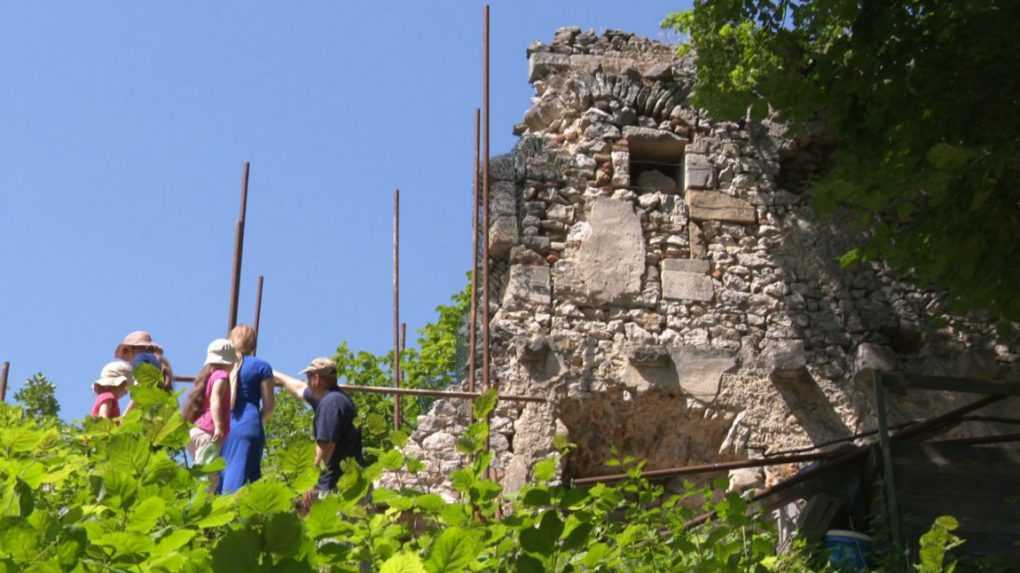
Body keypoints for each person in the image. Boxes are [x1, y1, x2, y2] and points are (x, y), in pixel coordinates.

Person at [274, 357, 362, 501]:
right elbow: (298, 388)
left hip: (335, 488)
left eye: (308, 377)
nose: (307, 382)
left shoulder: (331, 403)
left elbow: (326, 446)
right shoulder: (335, 397)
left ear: (316, 378)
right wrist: (272, 373)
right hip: (346, 484)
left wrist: (310, 481)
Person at [218, 324, 275, 494]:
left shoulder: (222, 366)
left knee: (224, 482)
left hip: (225, 427)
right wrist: (257, 421)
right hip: (249, 425)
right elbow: (269, 406)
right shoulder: (261, 367)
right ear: (253, 345)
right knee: (246, 486)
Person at [182, 339, 237, 472]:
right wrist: (218, 426)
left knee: (201, 474)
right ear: (230, 362)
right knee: (208, 479)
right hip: (209, 432)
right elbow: (215, 398)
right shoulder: (222, 376)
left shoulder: (208, 376)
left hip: (197, 431)